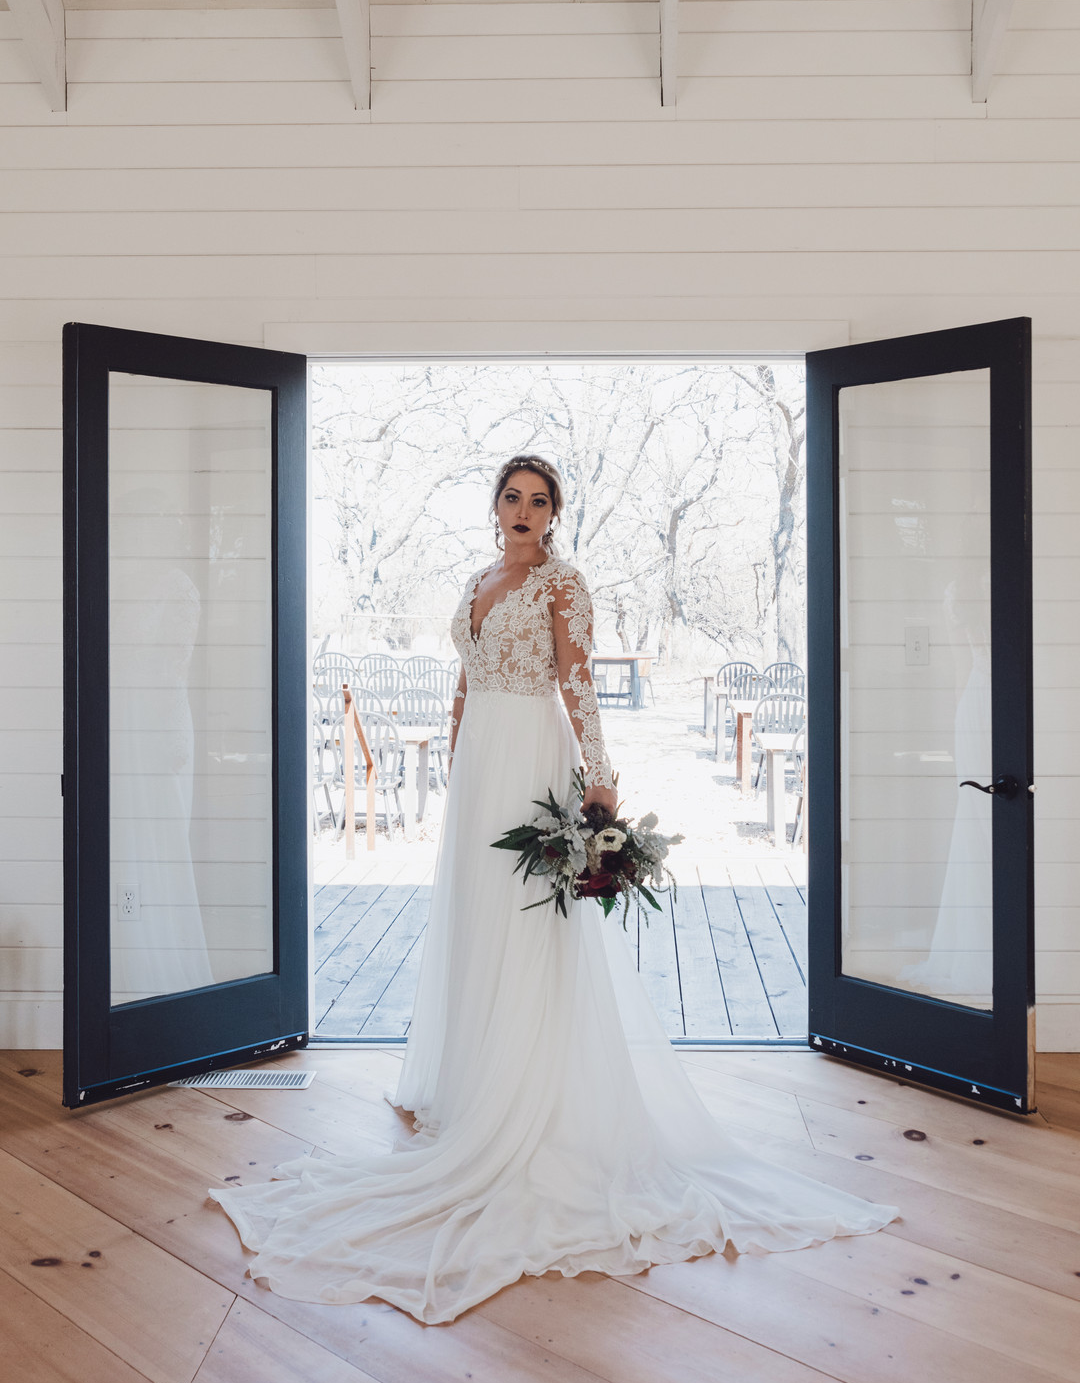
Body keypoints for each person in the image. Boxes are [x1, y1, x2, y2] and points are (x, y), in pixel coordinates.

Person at [209, 454, 900, 1324]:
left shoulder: (565, 584)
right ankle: (474, 1079)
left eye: (540, 501)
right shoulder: (477, 577)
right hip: (479, 771)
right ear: (494, 507)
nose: (524, 511)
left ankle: (534, 1095)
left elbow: (577, 680)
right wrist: (456, 761)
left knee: (531, 922)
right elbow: (463, 680)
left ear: (555, 514)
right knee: (476, 918)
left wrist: (601, 778)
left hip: (534, 752)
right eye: (513, 497)